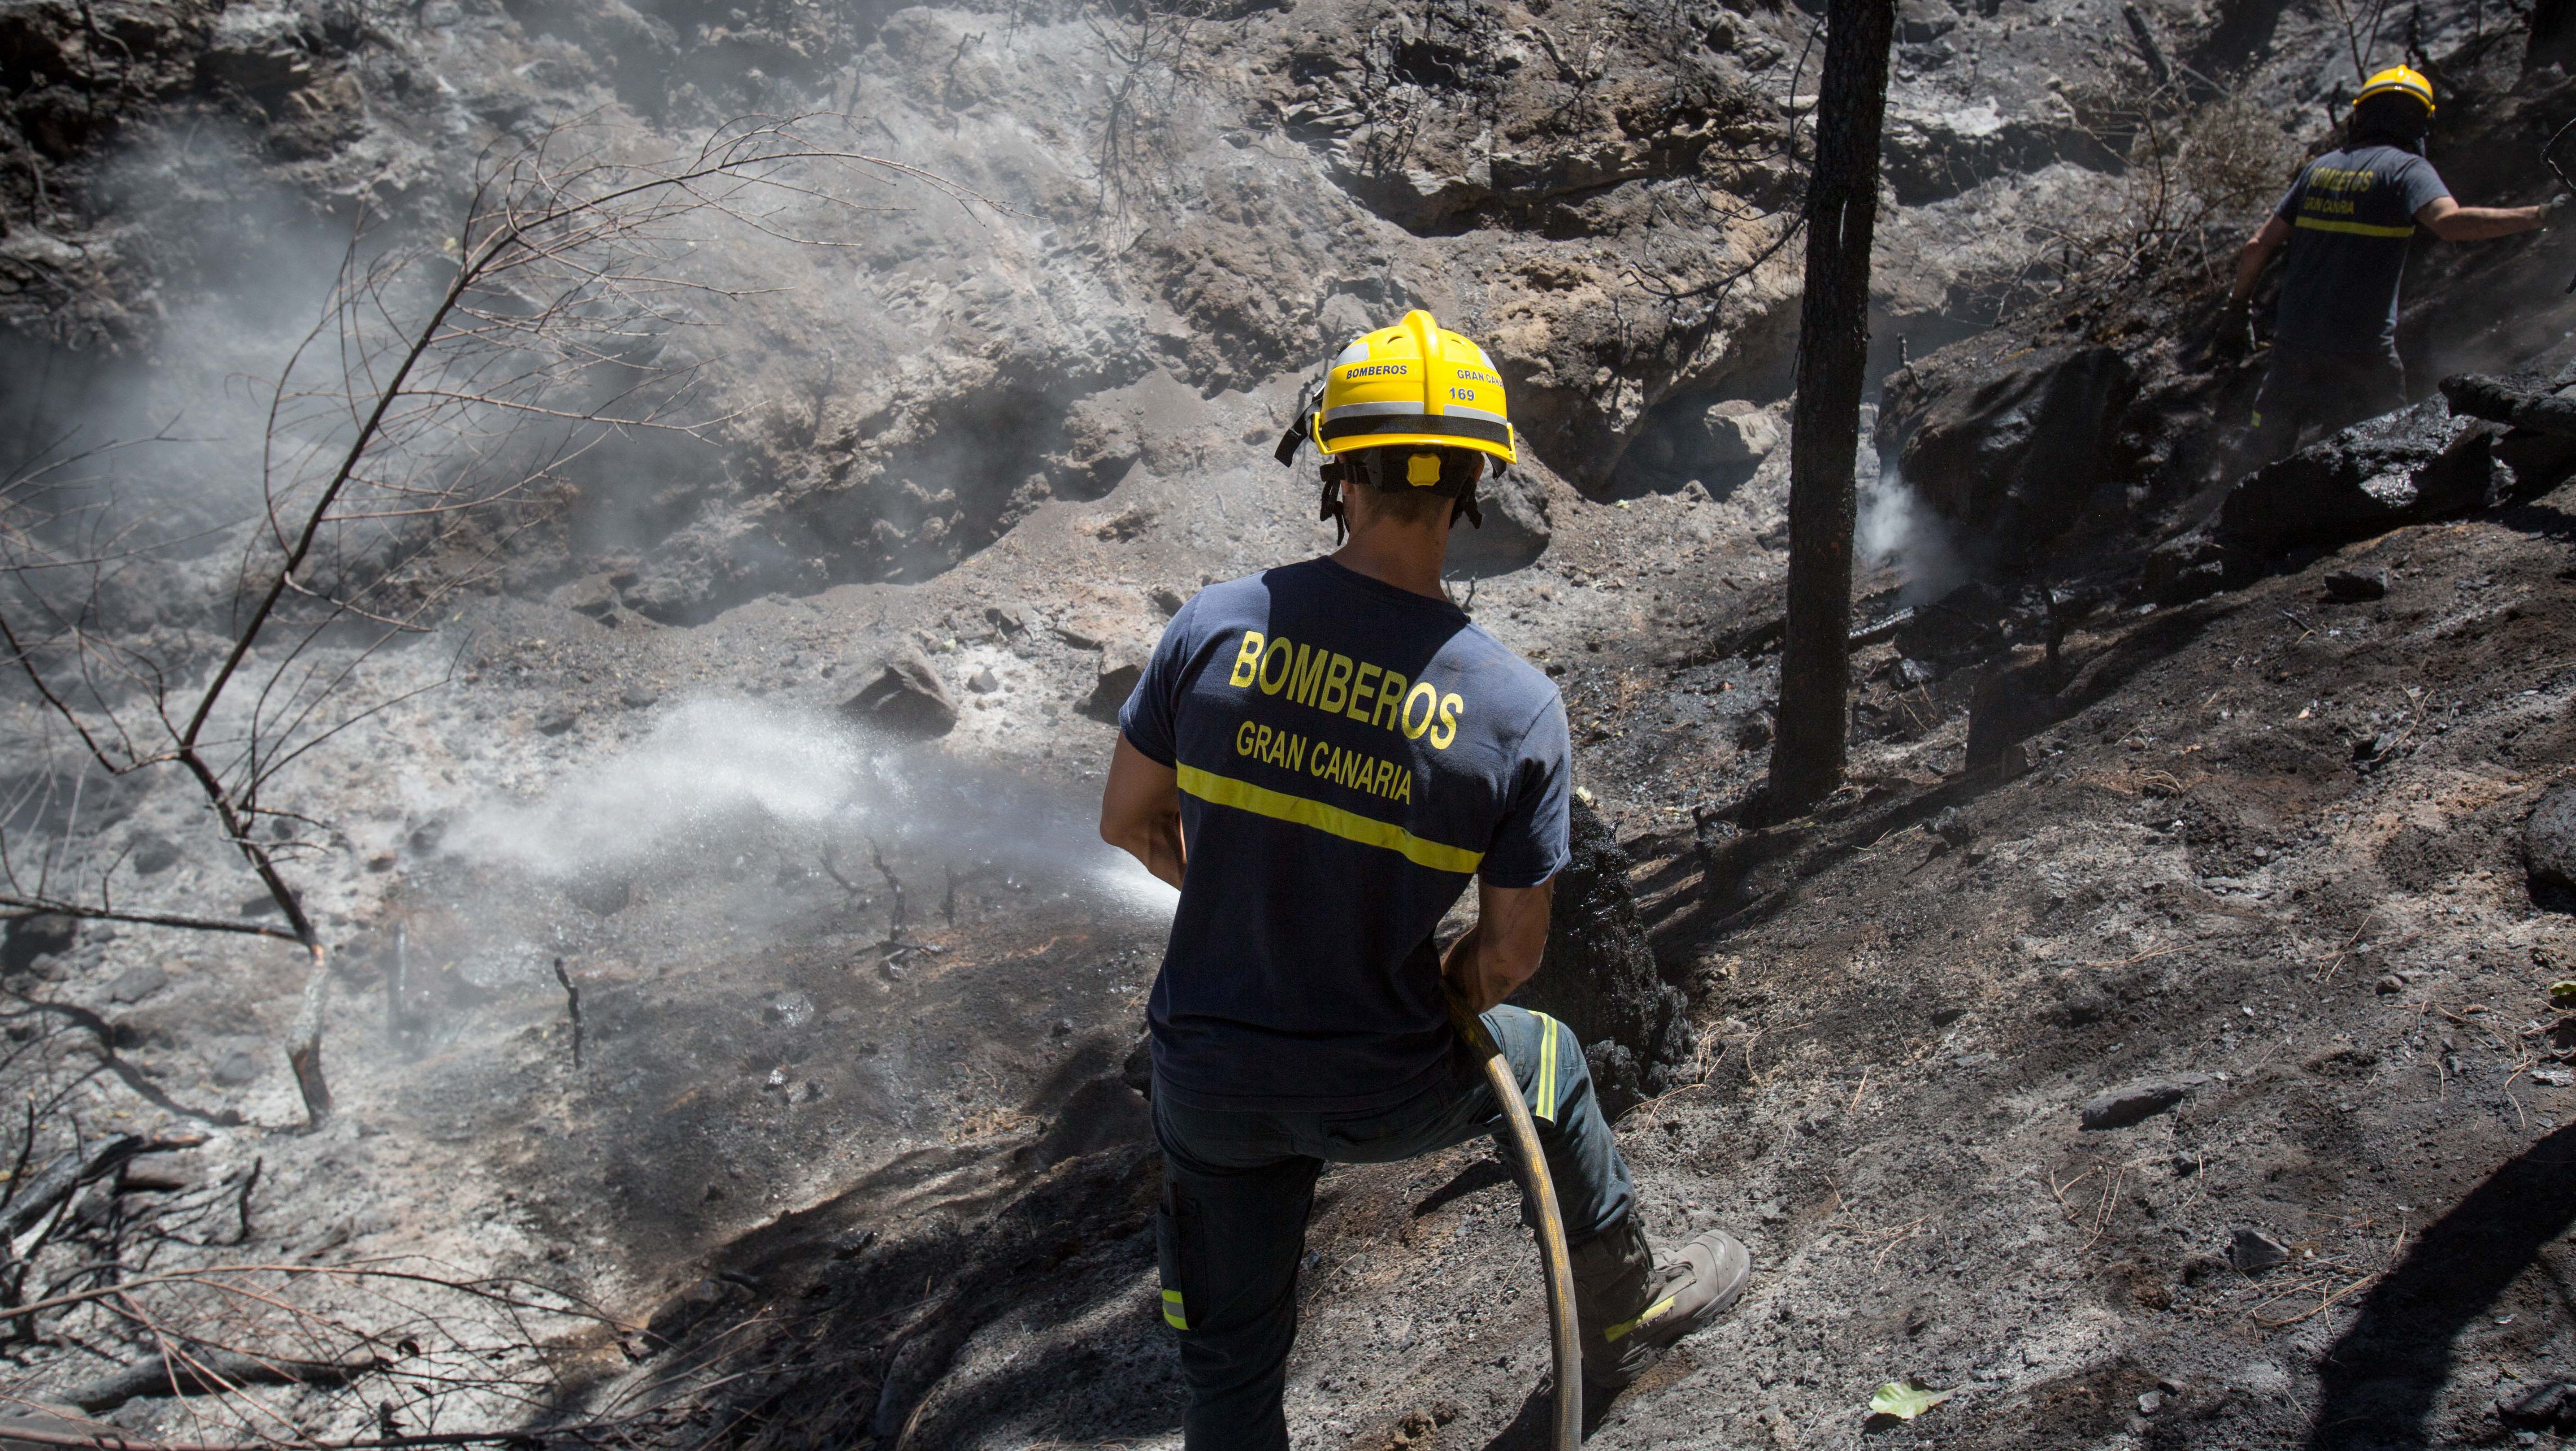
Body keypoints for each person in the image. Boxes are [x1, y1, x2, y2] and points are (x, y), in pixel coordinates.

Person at [1097, 309, 1751, 1450]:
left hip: (1207, 1078)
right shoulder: (1509, 706)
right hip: (1378, 1080)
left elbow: (1126, 823)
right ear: (1473, 489)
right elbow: (1506, 958)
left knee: (1228, 1367)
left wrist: (1247, 907)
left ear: (1334, 472)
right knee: (1542, 1058)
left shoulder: (1211, 627)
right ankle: (1626, 1301)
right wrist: (1427, 974)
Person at [2218, 65, 2567, 459]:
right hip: (2362, 354)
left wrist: (2236, 309)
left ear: (2360, 115)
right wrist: (2542, 215)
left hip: (2293, 348)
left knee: (2262, 454)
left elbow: (2256, 246)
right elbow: (2450, 225)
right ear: (2421, 122)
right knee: (2380, 453)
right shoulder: (2406, 171)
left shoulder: (2318, 170)